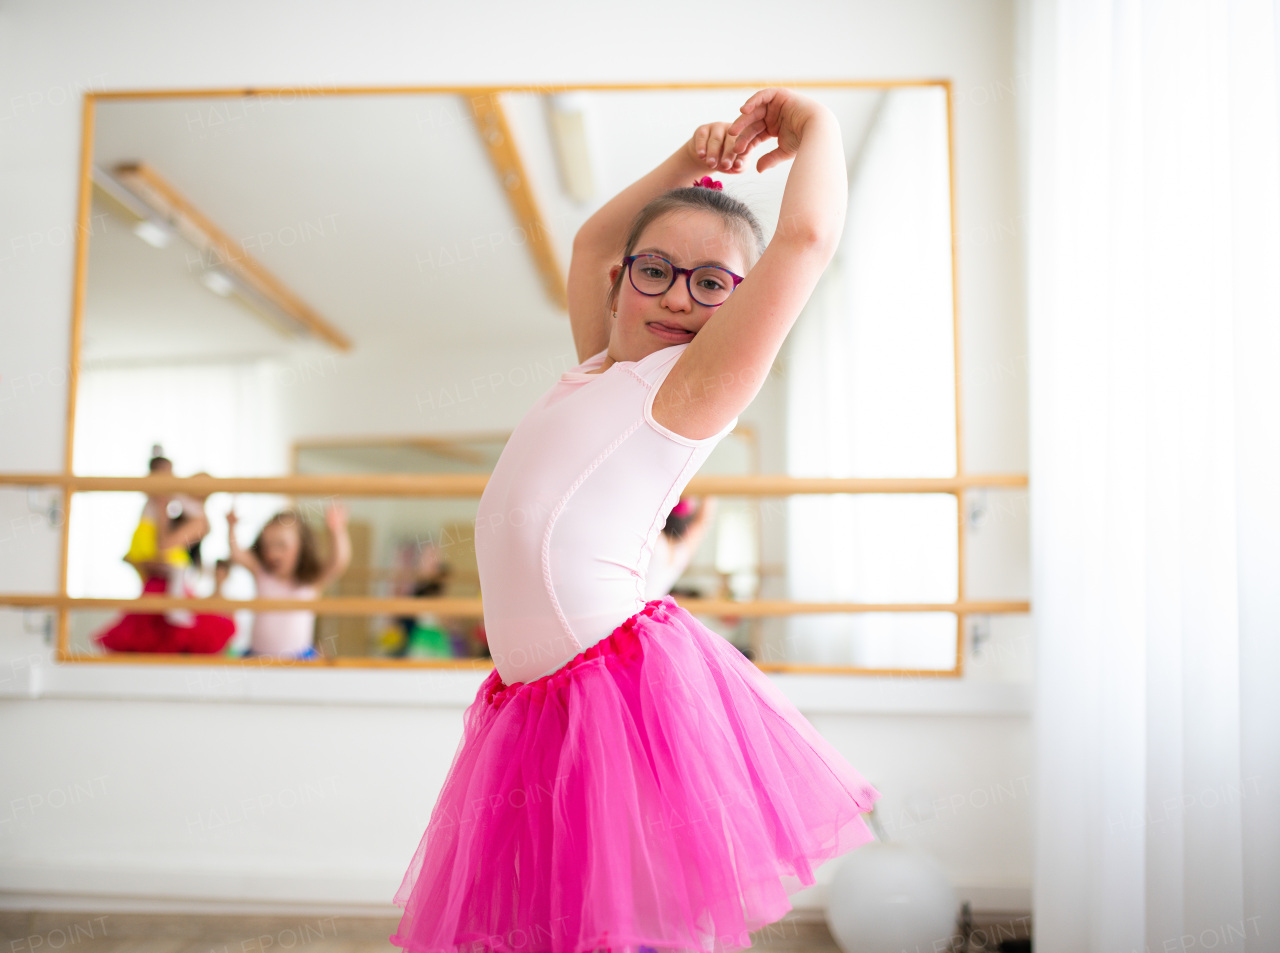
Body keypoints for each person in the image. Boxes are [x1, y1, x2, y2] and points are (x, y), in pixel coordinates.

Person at [389, 88, 881, 953]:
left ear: (737, 306)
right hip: (538, 703)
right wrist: (694, 167)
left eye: (713, 285)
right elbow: (588, 243)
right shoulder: (595, 366)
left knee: (633, 918)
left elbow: (806, 239)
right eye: (655, 269)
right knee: (565, 919)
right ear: (624, 280)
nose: (678, 298)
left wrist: (815, 129)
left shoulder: (687, 389)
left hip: (612, 691)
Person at [94, 455, 235, 654]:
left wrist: (161, 511)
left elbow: (164, 545)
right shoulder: (180, 509)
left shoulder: (198, 520)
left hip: (169, 587)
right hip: (156, 584)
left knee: (167, 643)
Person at [226, 502, 351, 660]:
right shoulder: (263, 574)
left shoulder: (309, 582)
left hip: (298, 659)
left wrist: (336, 530)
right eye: (267, 546)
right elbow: (236, 553)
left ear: (301, 546)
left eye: (281, 545)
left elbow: (338, 562)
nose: (273, 553)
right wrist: (231, 527)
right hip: (258, 656)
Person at [643, 494, 717, 599]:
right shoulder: (682, 552)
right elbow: (702, 522)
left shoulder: (657, 540)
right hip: (650, 609)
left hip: (634, 606)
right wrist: (707, 493)